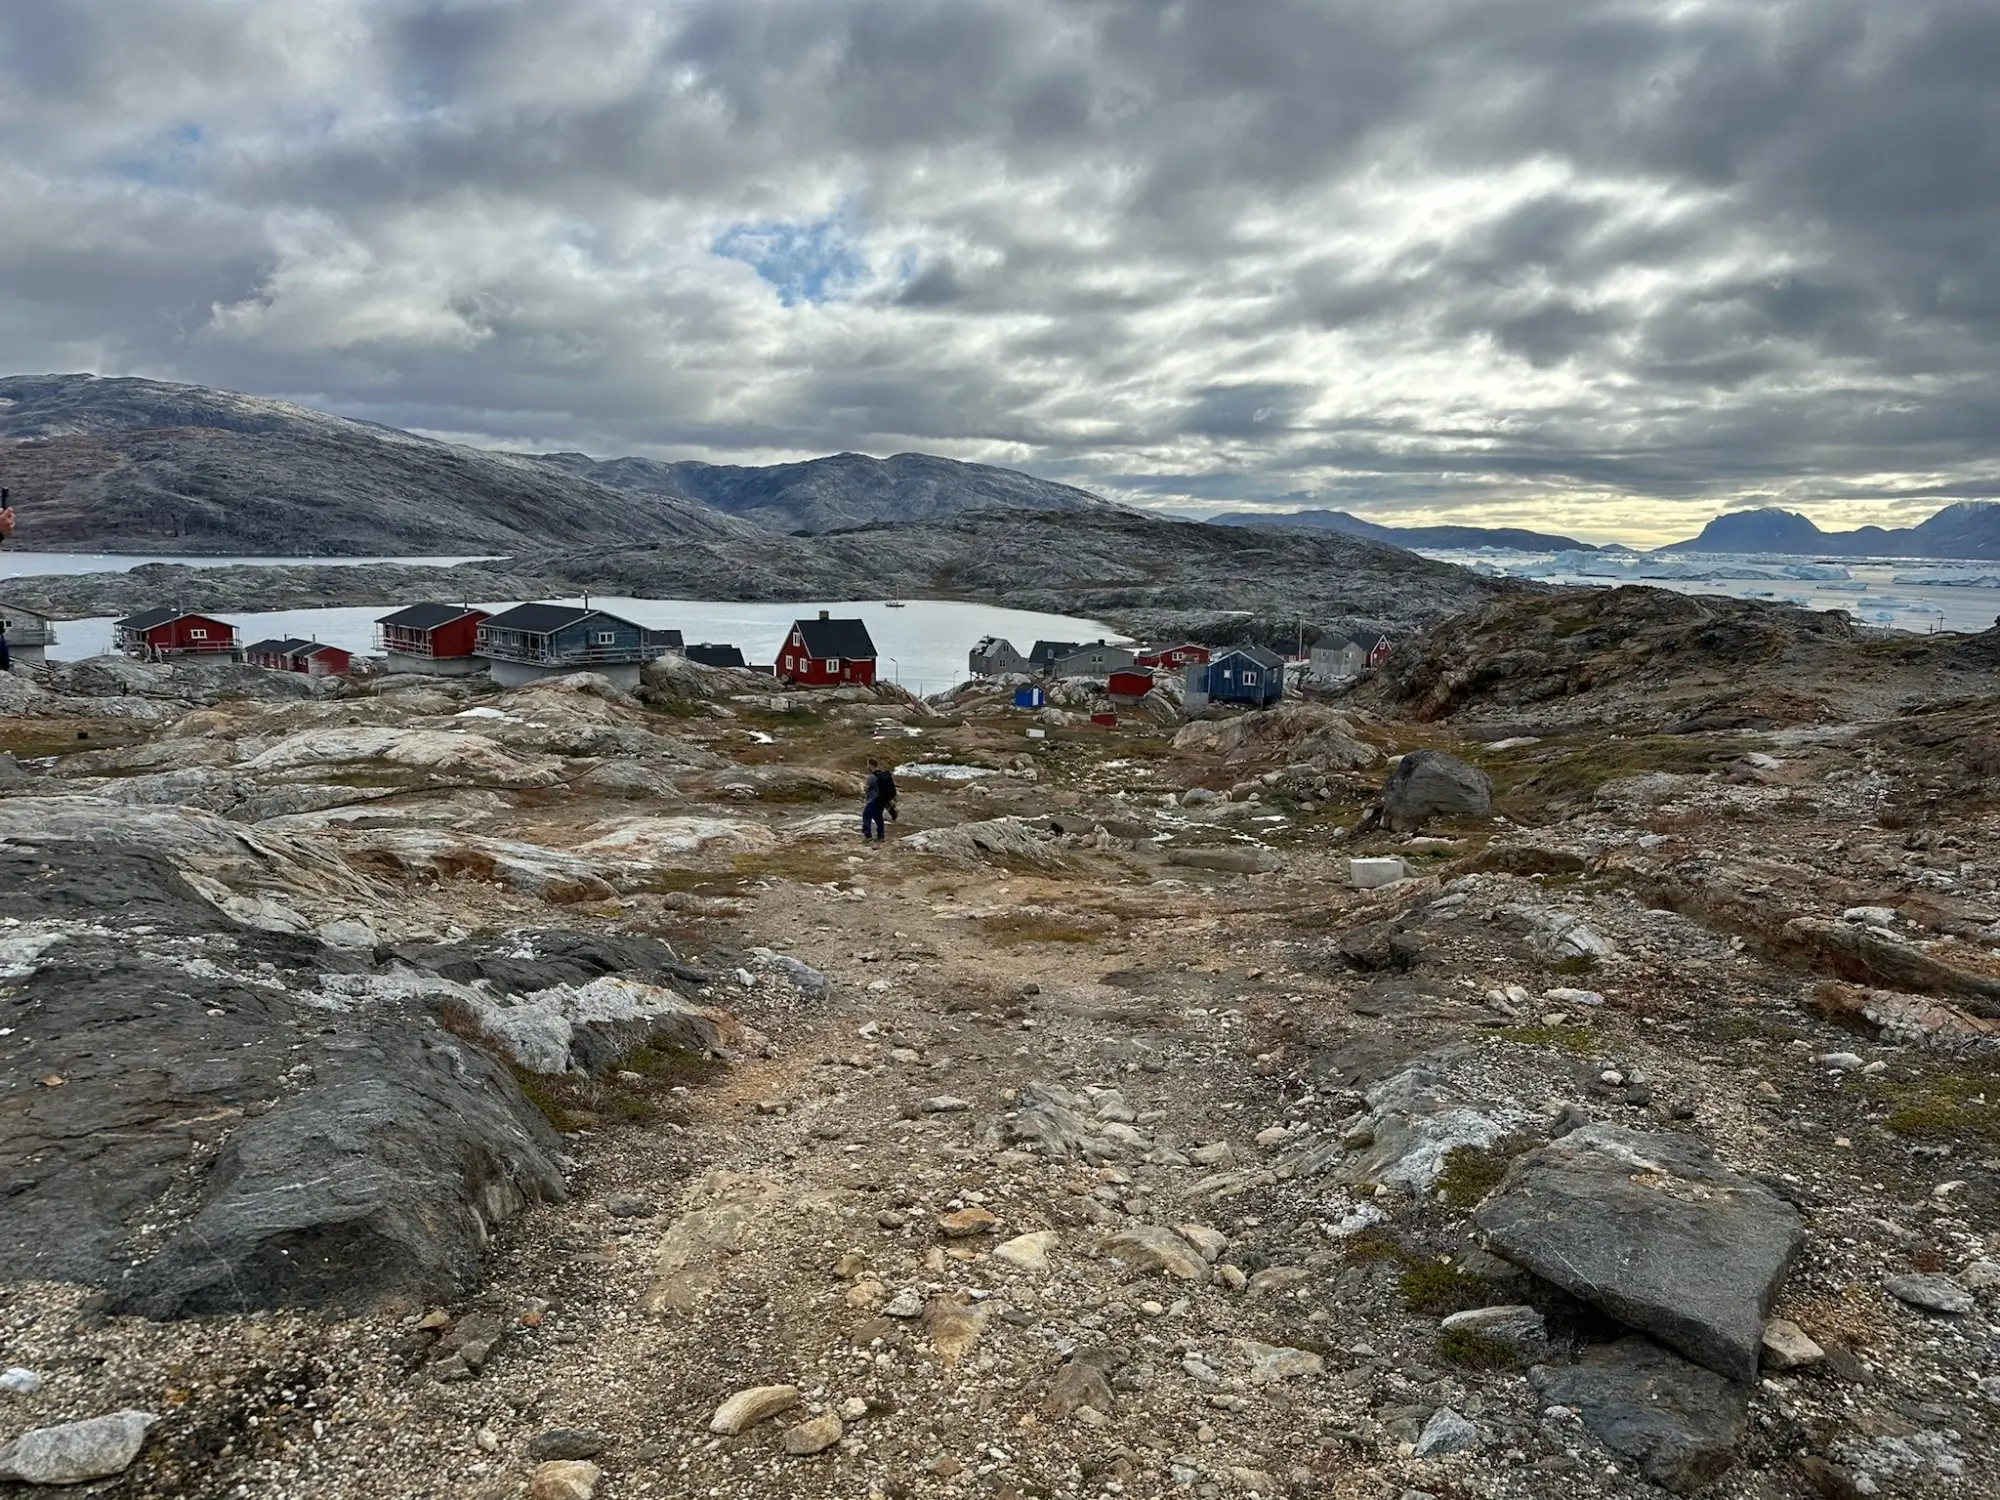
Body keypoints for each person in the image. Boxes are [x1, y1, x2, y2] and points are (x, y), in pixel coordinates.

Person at [861, 758, 889, 842]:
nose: (867, 767)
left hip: (873, 800)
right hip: (881, 800)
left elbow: (866, 789)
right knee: (878, 818)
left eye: (867, 765)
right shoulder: (881, 775)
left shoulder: (871, 777)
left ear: (871, 765)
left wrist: (862, 786)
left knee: (866, 816)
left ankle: (868, 836)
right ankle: (881, 836)